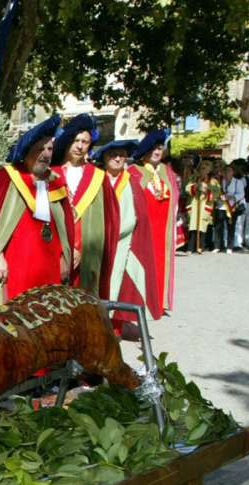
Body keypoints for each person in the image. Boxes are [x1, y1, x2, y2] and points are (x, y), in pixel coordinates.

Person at [0, 114, 71, 308]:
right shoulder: (4, 180)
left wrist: (65, 258)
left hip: (49, 267)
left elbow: (64, 230)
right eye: (40, 149)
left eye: (49, 149)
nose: (46, 154)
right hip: (16, 265)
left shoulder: (56, 183)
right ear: (27, 151)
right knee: (16, 315)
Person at [91, 139, 161, 331]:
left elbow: (137, 215)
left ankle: (115, 327)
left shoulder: (131, 182)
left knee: (120, 284)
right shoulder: (96, 179)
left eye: (122, 155)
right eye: (113, 155)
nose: (118, 159)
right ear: (104, 158)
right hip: (97, 240)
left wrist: (116, 231)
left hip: (123, 241)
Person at [50, 113, 118, 296]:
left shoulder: (98, 177)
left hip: (86, 254)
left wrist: (82, 249)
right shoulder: (51, 174)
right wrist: (62, 251)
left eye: (85, 142)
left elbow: (105, 222)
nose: (80, 146)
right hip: (54, 252)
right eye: (76, 140)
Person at [128, 129, 179, 311]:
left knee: (160, 262)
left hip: (163, 229)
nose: (157, 152)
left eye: (160, 148)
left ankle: (160, 301)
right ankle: (142, 300)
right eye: (154, 148)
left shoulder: (167, 171)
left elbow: (175, 198)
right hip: (143, 228)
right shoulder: (134, 171)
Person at [183, 161, 217, 254]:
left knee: (202, 227)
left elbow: (216, 193)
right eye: (202, 168)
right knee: (192, 226)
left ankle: (201, 246)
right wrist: (196, 186)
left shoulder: (213, 181)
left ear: (209, 170)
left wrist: (207, 191)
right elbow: (187, 188)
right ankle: (190, 248)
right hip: (194, 204)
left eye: (206, 168)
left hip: (204, 205)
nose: (203, 170)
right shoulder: (193, 178)